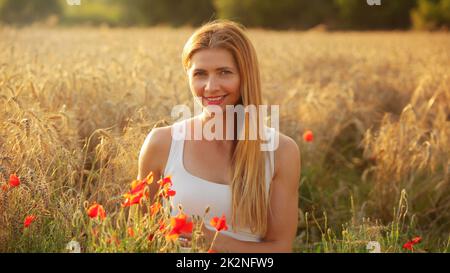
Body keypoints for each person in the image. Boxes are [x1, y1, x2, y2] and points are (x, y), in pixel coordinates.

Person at [137, 20, 300, 253]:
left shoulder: (281, 151)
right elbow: (141, 236)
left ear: (246, 76)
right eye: (200, 74)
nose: (211, 87)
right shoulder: (162, 143)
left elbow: (281, 248)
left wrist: (216, 243)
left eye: (224, 72)